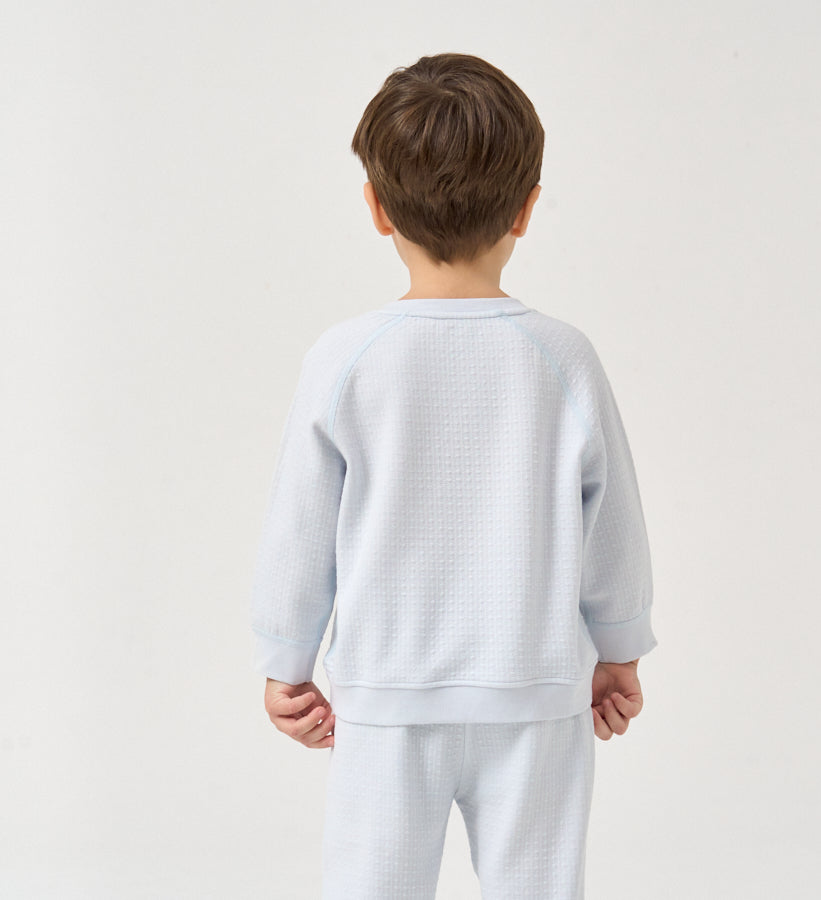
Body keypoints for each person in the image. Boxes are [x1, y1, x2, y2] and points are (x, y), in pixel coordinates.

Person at [249, 51, 658, 900]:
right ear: (527, 209)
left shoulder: (346, 358)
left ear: (375, 207)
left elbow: (299, 526)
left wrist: (288, 660)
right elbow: (613, 519)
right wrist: (619, 649)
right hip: (536, 693)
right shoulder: (563, 356)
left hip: (388, 699)